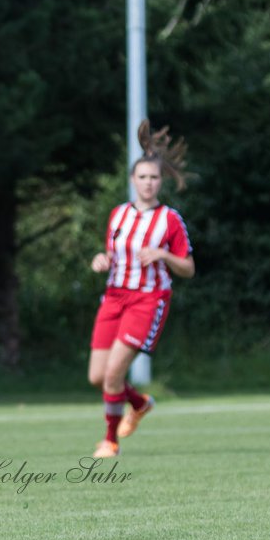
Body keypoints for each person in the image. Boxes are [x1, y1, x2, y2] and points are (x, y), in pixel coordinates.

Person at [87, 120, 194, 458]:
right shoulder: (118, 215)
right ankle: (141, 403)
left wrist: (163, 254)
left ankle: (110, 441)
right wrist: (100, 260)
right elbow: (111, 254)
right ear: (132, 180)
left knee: (114, 374)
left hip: (148, 301)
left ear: (161, 182)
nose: (148, 183)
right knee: (97, 376)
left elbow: (188, 268)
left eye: (154, 178)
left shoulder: (170, 220)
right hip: (114, 298)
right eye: (143, 177)